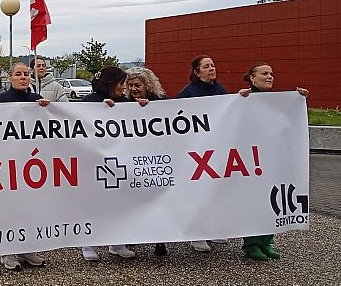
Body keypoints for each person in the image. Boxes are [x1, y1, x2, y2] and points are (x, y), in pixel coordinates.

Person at [238, 63, 308, 261]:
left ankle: (267, 242)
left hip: (274, 159)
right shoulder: (244, 99)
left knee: (272, 199)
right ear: (252, 78)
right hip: (253, 161)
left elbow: (291, 122)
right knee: (254, 201)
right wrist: (239, 98)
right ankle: (251, 244)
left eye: (271, 73)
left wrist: (300, 100)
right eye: (264, 73)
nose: (269, 76)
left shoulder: (278, 102)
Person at [0, 62, 50, 271]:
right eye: (18, 74)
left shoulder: (36, 100)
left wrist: (48, 109)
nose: (23, 77)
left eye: (26, 74)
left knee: (30, 207)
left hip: (31, 164)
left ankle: (27, 249)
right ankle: (7, 251)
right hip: (6, 162)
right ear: (10, 78)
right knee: (9, 207)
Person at [80, 66, 135, 261]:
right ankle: (89, 245)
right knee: (93, 204)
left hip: (118, 161)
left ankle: (117, 243)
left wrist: (143, 108)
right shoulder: (89, 102)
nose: (124, 87)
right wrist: (100, 109)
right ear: (110, 83)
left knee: (119, 204)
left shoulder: (125, 103)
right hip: (93, 161)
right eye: (121, 83)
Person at [176, 55, 230, 251]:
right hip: (197, 150)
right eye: (206, 66)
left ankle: (213, 229)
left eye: (213, 65)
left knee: (216, 191)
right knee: (198, 193)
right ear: (197, 72)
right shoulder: (188, 93)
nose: (211, 69)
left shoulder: (220, 90)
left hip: (217, 148)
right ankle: (197, 233)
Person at [125, 67, 169, 257]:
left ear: (148, 85)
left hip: (156, 159)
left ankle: (160, 239)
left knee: (158, 201)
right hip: (132, 159)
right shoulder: (123, 104)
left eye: (137, 85)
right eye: (130, 85)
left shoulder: (161, 103)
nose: (134, 89)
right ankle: (133, 234)